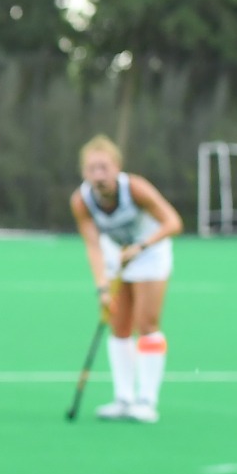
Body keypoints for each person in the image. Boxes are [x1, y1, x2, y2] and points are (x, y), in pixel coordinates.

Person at [71, 135, 183, 423]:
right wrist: (102, 287)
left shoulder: (135, 189)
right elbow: (93, 246)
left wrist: (142, 246)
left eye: (104, 167)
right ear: (84, 172)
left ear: (117, 168)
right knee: (118, 325)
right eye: (92, 169)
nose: (99, 175)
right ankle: (124, 398)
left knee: (146, 323)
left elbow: (173, 222)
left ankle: (146, 401)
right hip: (117, 255)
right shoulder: (81, 201)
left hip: (150, 251)